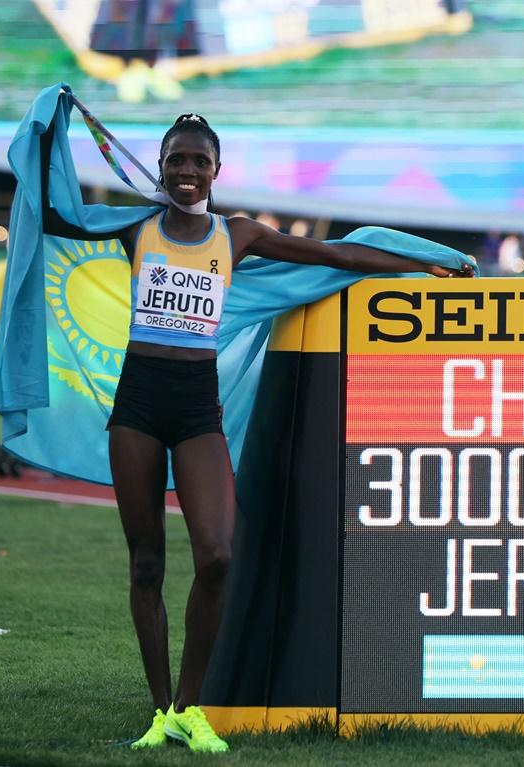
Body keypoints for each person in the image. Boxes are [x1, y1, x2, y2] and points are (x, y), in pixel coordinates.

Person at [38, 112, 473, 753]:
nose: (187, 171)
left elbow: (333, 255)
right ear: (160, 166)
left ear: (218, 171)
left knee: (218, 556)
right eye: (176, 160)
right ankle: (161, 712)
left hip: (195, 409)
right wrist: (50, 128)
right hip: (137, 405)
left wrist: (419, 262)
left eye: (198, 161)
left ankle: (192, 709)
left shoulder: (234, 235)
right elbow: (58, 217)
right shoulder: (137, 229)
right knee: (147, 561)